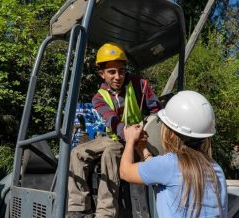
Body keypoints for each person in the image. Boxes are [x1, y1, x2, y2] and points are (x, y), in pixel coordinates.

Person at [67, 42, 160, 218]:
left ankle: (106, 213)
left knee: (110, 152)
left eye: (122, 71)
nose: (118, 76)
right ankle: (78, 208)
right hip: (117, 136)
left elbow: (157, 110)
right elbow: (112, 119)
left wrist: (146, 128)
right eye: (112, 72)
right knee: (78, 152)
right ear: (102, 74)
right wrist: (125, 132)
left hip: (139, 139)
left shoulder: (140, 85)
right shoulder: (98, 98)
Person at [120, 91, 228, 218]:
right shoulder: (216, 169)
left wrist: (130, 140)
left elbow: (125, 172)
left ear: (170, 133)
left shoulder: (169, 165)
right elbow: (163, 172)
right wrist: (143, 149)